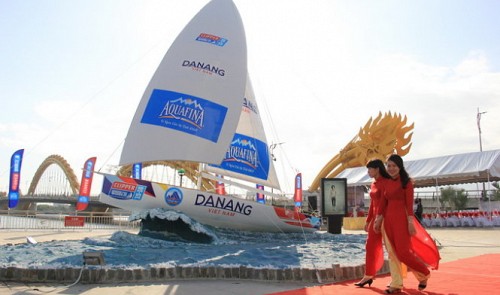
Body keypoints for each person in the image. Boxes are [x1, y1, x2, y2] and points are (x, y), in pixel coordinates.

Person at [374, 154, 440, 294]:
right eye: (389, 166)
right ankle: (396, 283)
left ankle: (424, 273)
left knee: (403, 253)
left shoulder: (406, 182)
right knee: (392, 254)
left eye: (394, 166)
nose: (391, 169)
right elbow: (382, 203)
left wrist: (410, 222)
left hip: (401, 220)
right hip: (388, 221)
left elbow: (409, 205)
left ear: (400, 167)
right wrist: (378, 219)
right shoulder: (386, 182)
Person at [354, 159, 392, 288]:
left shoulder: (386, 182)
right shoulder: (373, 183)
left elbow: (384, 203)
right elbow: (372, 204)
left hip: (386, 218)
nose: (368, 171)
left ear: (377, 169)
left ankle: (397, 279)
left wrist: (379, 218)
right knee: (370, 246)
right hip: (375, 219)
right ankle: (368, 275)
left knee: (391, 249)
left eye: (370, 169)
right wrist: (368, 220)